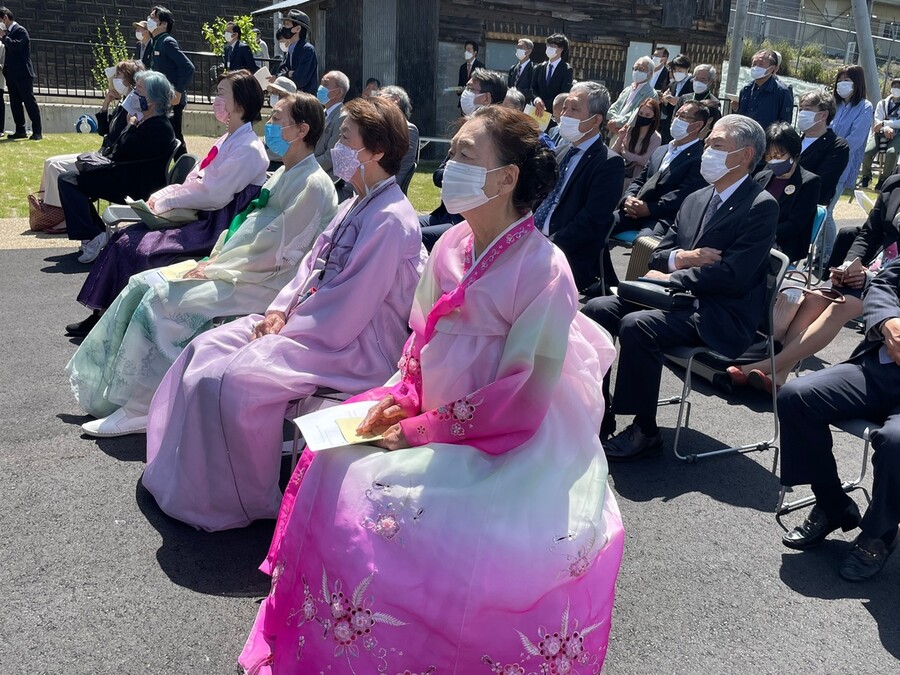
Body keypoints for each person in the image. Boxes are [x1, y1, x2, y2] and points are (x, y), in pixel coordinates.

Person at [237, 104, 624, 673]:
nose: (451, 164)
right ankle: (337, 641)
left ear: (507, 178)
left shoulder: (544, 269)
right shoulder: (451, 246)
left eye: (467, 155)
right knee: (328, 456)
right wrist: (403, 395)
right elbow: (420, 341)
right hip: (429, 407)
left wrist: (418, 430)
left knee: (399, 503)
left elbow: (521, 395)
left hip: (506, 437)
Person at [141, 96, 426, 531]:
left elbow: (352, 304)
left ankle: (242, 498)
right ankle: (187, 480)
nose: (336, 147)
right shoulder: (354, 203)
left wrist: (288, 330)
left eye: (345, 138)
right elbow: (309, 268)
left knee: (235, 379)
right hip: (309, 325)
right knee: (204, 348)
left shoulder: (391, 220)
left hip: (354, 344)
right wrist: (275, 312)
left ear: (376, 151)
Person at [69, 92, 338, 437]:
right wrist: (215, 256)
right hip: (235, 266)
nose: (268, 126)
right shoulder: (285, 173)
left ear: (301, 130)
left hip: (264, 282)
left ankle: (144, 406)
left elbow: (275, 251)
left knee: (164, 299)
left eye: (276, 120)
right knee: (142, 282)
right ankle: (107, 387)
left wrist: (215, 267)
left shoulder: (313, 184)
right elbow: (248, 224)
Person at [583, 115, 778, 460]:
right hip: (676, 299)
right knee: (597, 309)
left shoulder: (760, 206)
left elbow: (732, 275)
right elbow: (657, 254)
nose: (707, 152)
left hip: (718, 312)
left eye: (717, 146)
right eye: (707, 145)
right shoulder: (696, 198)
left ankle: (645, 429)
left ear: (746, 155)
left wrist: (674, 275)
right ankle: (598, 408)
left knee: (637, 325)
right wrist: (685, 258)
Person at [66, 69, 271, 338]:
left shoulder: (248, 148)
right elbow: (195, 181)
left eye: (222, 94)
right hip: (201, 214)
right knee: (123, 236)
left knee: (139, 248)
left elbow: (214, 195)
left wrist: (168, 200)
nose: (215, 99)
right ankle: (104, 315)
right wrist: (163, 197)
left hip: (212, 225)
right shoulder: (227, 139)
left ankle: (123, 324)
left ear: (241, 104)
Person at [777, 258, 900, 581]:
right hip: (881, 367)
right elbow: (884, 284)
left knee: (895, 441)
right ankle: (833, 505)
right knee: (797, 397)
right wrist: (888, 322)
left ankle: (880, 533)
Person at [730, 171, 899, 392]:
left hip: (891, 288)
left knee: (841, 305)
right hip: (872, 270)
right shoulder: (893, 184)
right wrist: (848, 265)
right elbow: (868, 235)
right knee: (816, 297)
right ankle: (780, 375)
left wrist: (870, 277)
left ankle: (768, 365)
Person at [57, 70, 176, 260]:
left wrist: (129, 126)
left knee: (68, 181)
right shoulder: (148, 121)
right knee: (71, 178)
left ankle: (94, 234)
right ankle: (95, 232)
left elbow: (123, 149)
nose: (134, 94)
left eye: (139, 90)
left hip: (135, 184)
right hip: (127, 175)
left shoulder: (159, 126)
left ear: (152, 99)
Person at [601, 100, 711, 286]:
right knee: (600, 224)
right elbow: (640, 179)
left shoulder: (699, 157)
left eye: (684, 116)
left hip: (663, 217)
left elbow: (683, 194)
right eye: (677, 114)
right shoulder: (662, 150)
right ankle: (605, 280)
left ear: (698, 125)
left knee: (645, 245)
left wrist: (649, 209)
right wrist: (628, 199)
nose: (677, 119)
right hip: (636, 209)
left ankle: (639, 290)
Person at [534, 81, 625, 292]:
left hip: (568, 253)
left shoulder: (609, 163)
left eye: (574, 109)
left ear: (596, 120)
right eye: (565, 107)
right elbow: (538, 198)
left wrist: (548, 246)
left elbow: (591, 221)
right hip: (534, 241)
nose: (565, 114)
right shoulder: (561, 152)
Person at [36, 60, 144, 218]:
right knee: (50, 162)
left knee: (55, 167)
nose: (115, 79)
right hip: (102, 155)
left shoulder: (132, 106)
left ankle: (61, 217)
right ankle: (51, 211)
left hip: (106, 160)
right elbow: (103, 131)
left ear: (129, 79)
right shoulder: (123, 104)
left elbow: (117, 138)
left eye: (119, 75)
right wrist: (106, 104)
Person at [821, 65, 873, 262]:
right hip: (822, 162)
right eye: (840, 80)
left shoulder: (865, 107)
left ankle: (827, 255)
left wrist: (832, 151)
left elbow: (856, 139)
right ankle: (820, 251)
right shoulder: (835, 104)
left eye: (847, 80)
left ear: (857, 83)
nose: (842, 84)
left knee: (827, 212)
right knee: (818, 211)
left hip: (841, 165)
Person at [754, 121, 821, 264]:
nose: (773, 161)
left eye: (778, 156)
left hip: (785, 243)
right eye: (769, 156)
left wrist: (761, 233)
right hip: (754, 237)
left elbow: (794, 224)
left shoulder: (809, 182)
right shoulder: (761, 176)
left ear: (794, 154)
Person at [146, 6, 194, 158]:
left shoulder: (167, 42)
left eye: (153, 18)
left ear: (163, 24)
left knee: (174, 137)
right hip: (160, 98)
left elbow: (188, 67)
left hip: (171, 99)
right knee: (162, 135)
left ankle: (186, 169)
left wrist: (178, 92)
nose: (149, 20)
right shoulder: (155, 41)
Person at [797, 89, 849, 211]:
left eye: (807, 109)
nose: (802, 113)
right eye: (800, 109)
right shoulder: (793, 141)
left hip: (805, 210)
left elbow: (821, 185)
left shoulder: (837, 146)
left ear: (824, 115)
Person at [0, 6, 41, 140]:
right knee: (15, 102)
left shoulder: (20, 31)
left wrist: (4, 36)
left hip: (23, 73)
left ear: (5, 18)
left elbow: (16, 46)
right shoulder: (9, 33)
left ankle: (37, 131)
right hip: (11, 74)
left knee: (29, 101)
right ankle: (20, 129)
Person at [611, 97, 662, 191]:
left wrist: (625, 152)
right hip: (619, 173)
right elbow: (614, 151)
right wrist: (620, 137)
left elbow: (645, 161)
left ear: (654, 117)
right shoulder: (630, 129)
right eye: (641, 113)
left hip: (634, 180)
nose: (643, 117)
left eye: (647, 115)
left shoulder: (655, 138)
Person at [737, 49, 792, 131]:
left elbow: (785, 123)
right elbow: (740, 117)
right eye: (754, 63)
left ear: (772, 68)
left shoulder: (782, 92)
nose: (756, 67)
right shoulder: (746, 90)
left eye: (761, 64)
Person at [861, 77, 900, 190]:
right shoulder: (882, 103)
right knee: (868, 152)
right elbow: (877, 121)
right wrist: (885, 127)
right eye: (894, 86)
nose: (896, 89)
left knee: (892, 153)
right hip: (880, 133)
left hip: (897, 135)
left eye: (899, 87)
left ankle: (883, 179)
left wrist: (885, 123)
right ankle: (866, 176)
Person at [377, 85, 418, 184]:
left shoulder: (408, 129)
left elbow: (400, 172)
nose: (376, 104)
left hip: (388, 189)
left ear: (395, 100)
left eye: (380, 98)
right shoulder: (386, 126)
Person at [313, 70, 349, 182]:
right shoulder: (322, 113)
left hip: (326, 178)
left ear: (339, 92)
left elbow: (331, 157)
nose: (320, 87)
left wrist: (305, 166)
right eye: (321, 83)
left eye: (326, 84)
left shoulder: (342, 117)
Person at [607, 56, 657, 134]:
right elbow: (615, 106)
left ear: (650, 73)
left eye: (641, 69)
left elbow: (637, 113)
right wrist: (613, 120)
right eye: (635, 68)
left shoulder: (651, 94)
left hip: (632, 134)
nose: (636, 71)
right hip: (615, 131)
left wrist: (618, 122)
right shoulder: (628, 89)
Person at [531, 33, 573, 114]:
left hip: (554, 112)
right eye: (548, 45)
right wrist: (536, 99)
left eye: (553, 46)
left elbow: (564, 92)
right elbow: (533, 87)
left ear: (561, 49)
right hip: (536, 110)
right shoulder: (539, 67)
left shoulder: (566, 69)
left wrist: (546, 105)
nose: (549, 48)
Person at [280, 9, 317, 94]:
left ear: (297, 29)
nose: (284, 27)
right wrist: (288, 74)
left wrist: (286, 74)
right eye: (284, 24)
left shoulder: (307, 50)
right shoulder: (290, 49)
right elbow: (280, 72)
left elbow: (300, 79)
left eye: (287, 24)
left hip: (305, 100)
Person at [659, 53, 692, 143]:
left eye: (680, 70)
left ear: (687, 68)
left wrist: (679, 101)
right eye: (674, 70)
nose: (677, 72)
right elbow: (667, 111)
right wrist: (665, 101)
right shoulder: (673, 84)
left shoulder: (692, 83)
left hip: (685, 126)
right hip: (669, 126)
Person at [507, 37, 534, 102]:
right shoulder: (513, 68)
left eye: (521, 47)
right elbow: (509, 86)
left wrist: (515, 92)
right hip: (511, 103)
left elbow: (532, 91)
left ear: (529, 51)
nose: (518, 49)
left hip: (525, 104)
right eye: (517, 47)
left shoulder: (534, 69)